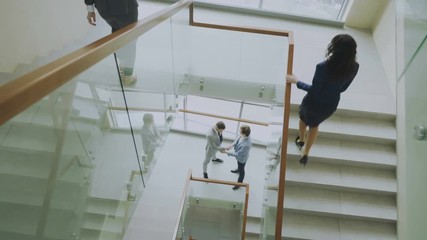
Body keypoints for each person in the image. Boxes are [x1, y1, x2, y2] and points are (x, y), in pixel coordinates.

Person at [286, 34, 359, 166]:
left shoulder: (322, 67)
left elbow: (314, 90)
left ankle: (301, 140)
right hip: (330, 105)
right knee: (315, 124)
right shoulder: (354, 67)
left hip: (312, 102)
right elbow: (343, 88)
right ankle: (306, 152)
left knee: (303, 119)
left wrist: (296, 81)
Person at [84, 0, 139, 86]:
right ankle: (127, 76)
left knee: (117, 31)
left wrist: (90, 10)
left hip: (104, 9)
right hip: (125, 7)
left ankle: (122, 65)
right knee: (130, 39)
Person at [226, 125, 252, 190]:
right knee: (239, 165)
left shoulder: (247, 145)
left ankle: (239, 183)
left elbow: (238, 154)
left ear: (244, 133)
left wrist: (227, 153)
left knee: (242, 170)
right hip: (239, 156)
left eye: (240, 131)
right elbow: (237, 140)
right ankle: (238, 170)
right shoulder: (243, 135)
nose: (239, 132)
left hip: (242, 158)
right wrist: (231, 146)